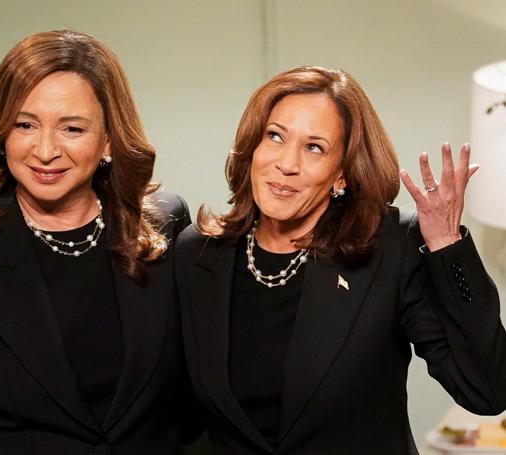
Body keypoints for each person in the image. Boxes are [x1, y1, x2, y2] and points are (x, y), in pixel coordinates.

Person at [175, 66, 506, 454]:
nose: (286, 163)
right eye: (275, 136)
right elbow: (175, 413)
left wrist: (447, 245)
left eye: (314, 147)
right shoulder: (197, 254)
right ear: (252, 148)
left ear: (341, 175)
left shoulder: (390, 250)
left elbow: (486, 389)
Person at [0, 30, 201, 454]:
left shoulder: (166, 223)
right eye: (25, 124)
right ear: (1, 135)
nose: (45, 150)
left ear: (109, 140)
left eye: (72, 128)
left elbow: (189, 407)